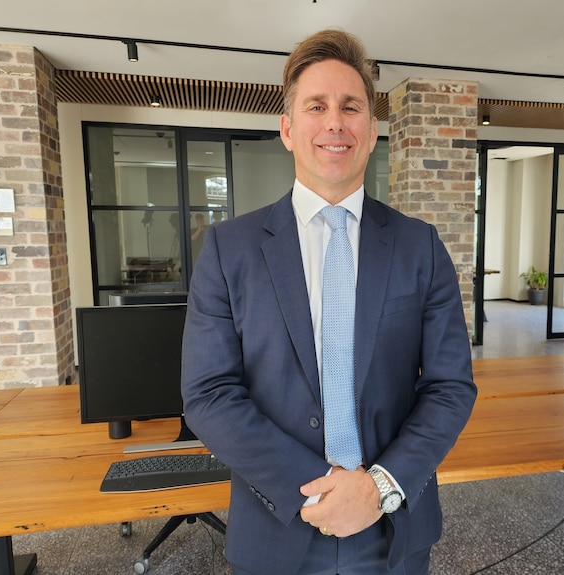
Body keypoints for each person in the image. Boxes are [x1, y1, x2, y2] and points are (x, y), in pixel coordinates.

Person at [180, 29, 477, 575]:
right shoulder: (229, 249)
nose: (335, 121)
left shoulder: (420, 246)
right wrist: (314, 494)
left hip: (393, 526)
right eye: (316, 106)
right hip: (279, 526)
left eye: (351, 106)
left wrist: (379, 488)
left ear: (371, 132)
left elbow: (450, 386)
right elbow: (209, 394)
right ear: (288, 130)